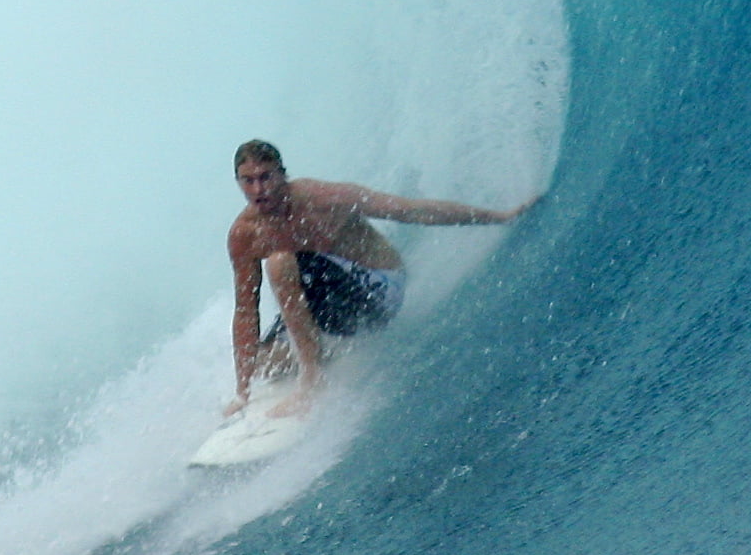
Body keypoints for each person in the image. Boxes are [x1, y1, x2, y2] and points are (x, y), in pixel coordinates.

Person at [226, 138, 534, 415]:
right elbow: (244, 311)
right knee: (263, 364)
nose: (258, 189)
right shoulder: (245, 235)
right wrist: (243, 393)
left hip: (377, 292)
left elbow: (411, 211)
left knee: (280, 263)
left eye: (266, 177)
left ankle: (312, 379)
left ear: (282, 173)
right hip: (329, 301)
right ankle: (319, 351)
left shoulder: (323, 199)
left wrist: (499, 217)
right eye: (248, 181)